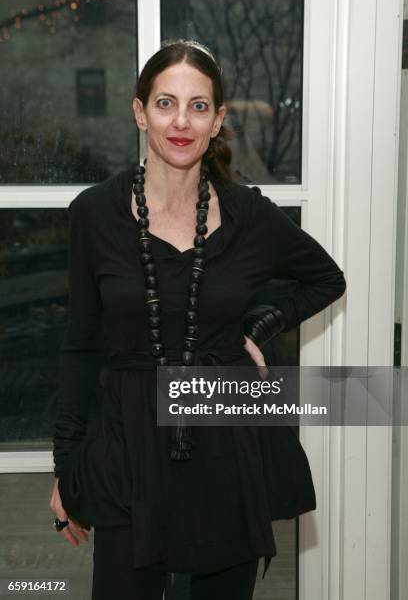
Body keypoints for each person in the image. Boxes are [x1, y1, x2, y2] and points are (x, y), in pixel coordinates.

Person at [49, 39, 346, 600]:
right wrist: (67, 468)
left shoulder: (249, 215)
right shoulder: (94, 214)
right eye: (165, 103)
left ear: (217, 121)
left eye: (198, 106)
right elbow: (80, 346)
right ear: (139, 112)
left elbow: (326, 279)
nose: (181, 121)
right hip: (125, 445)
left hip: (223, 441)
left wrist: (258, 327)